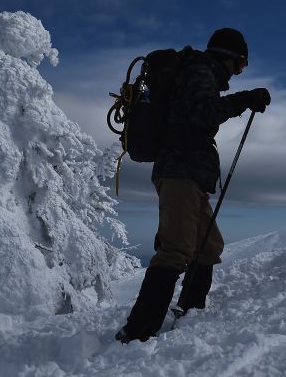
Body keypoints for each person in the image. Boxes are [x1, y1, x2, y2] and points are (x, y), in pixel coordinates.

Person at [116, 28, 271, 343]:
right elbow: (206, 113)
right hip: (180, 173)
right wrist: (246, 99)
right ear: (229, 58)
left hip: (187, 173)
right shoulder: (200, 72)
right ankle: (137, 332)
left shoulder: (200, 73)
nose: (239, 72)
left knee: (208, 245)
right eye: (241, 65)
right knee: (175, 249)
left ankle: (190, 311)